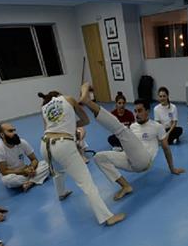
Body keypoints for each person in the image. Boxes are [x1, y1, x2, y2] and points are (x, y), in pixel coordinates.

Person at [78, 83, 184, 201]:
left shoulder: (157, 126)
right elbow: (129, 144)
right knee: (99, 157)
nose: (137, 114)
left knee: (121, 130)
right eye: (135, 111)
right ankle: (125, 186)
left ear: (147, 111)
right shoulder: (133, 126)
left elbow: (166, 148)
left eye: (140, 111)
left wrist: (172, 168)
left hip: (145, 161)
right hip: (130, 160)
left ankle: (88, 102)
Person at [38, 90, 125, 226]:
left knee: (57, 171)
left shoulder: (44, 108)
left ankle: (61, 193)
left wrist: (64, 124)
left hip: (44, 145)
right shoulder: (68, 99)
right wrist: (70, 123)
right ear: (59, 95)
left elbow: (48, 128)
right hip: (62, 144)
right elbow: (86, 120)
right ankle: (107, 217)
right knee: (86, 182)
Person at [0, 122, 49, 192]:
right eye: (10, 131)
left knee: (46, 164)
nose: (14, 133)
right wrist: (23, 172)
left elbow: (34, 159)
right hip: (13, 174)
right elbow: (4, 171)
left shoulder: (22, 142)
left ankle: (30, 183)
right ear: (2, 135)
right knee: (8, 180)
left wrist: (31, 168)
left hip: (26, 170)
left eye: (14, 130)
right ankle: (34, 179)